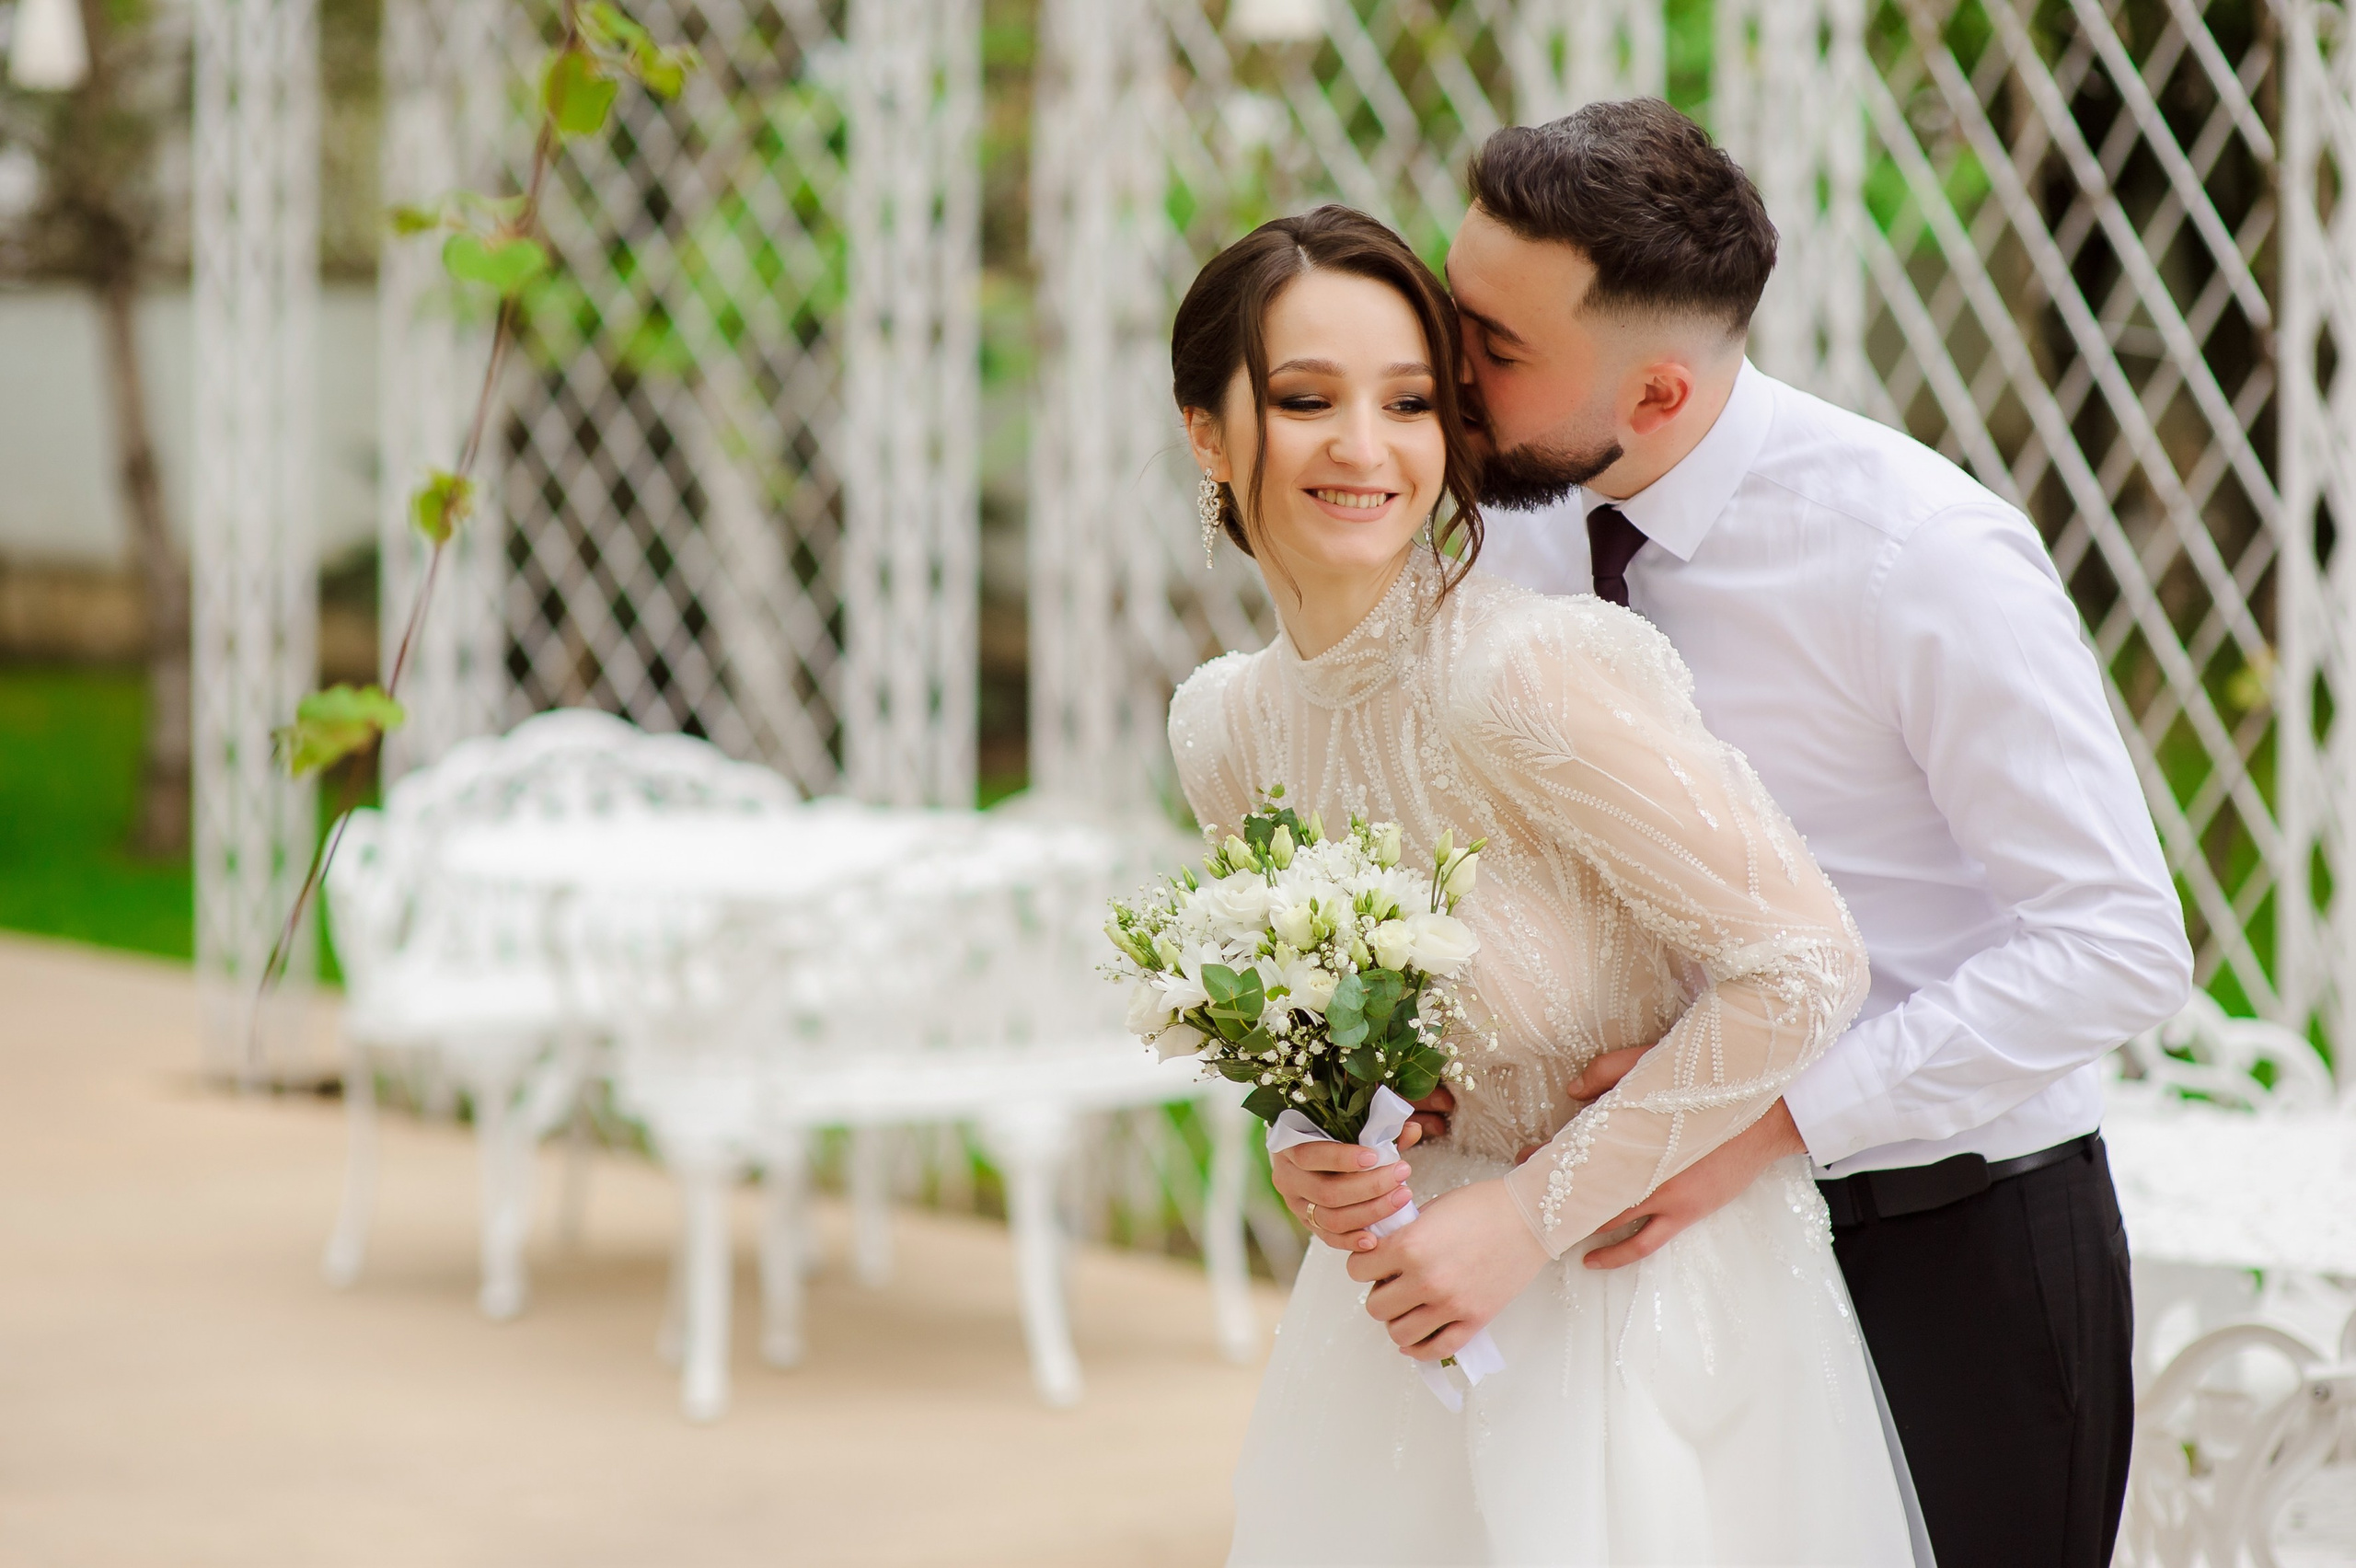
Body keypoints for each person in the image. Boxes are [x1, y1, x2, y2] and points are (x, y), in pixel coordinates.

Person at [1269, 100, 2195, 1568]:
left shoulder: (1920, 555)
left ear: (1654, 397)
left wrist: (1761, 1119)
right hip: (1630, 1275)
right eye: (1459, 311)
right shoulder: (1494, 519)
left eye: (1495, 349)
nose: (1450, 369)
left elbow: (2119, 946)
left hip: (1948, 1244)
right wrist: (1379, 1111)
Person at [1171, 202, 1920, 1565]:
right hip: (1400, 1331)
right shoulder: (1225, 728)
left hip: (1638, 1321)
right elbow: (1321, 1027)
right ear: (1208, 432)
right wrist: (1316, 1150)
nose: (1363, 445)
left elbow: (1808, 964)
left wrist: (1525, 1216)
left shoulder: (1522, 677)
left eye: (1409, 401)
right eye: (1302, 397)